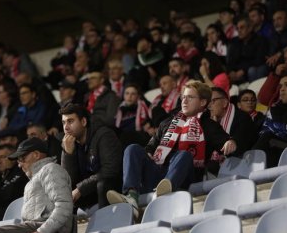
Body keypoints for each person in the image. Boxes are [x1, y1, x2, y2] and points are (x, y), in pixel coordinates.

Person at [107, 81, 236, 217]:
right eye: (183, 97)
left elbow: (226, 140)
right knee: (132, 148)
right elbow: (151, 146)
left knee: (184, 155)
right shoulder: (167, 122)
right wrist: (149, 152)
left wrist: (231, 142)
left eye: (190, 97)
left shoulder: (208, 125)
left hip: (185, 177)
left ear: (203, 102)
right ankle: (131, 196)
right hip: (157, 173)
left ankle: (165, 191)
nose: (184, 101)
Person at [60, 104, 123, 208]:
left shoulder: (104, 135)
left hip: (113, 187)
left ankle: (106, 222)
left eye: (70, 121)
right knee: (63, 194)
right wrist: (69, 154)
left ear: (84, 122)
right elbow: (67, 182)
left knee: (103, 184)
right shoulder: (68, 143)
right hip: (91, 190)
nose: (66, 127)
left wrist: (80, 189)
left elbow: (109, 170)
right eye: (63, 122)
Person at [209, 87, 257, 157]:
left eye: (212, 101)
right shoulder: (209, 121)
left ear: (225, 103)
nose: (209, 105)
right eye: (208, 102)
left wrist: (233, 141)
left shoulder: (243, 118)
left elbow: (238, 146)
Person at [0, 145, 28, 218]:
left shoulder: (23, 172)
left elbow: (10, 195)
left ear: (14, 157)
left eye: (3, 157)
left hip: (15, 212)